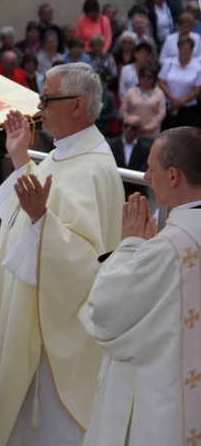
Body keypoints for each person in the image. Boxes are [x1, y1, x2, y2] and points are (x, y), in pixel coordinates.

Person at [0, 63, 124, 446]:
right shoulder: (63, 155)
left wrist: (42, 217)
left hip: (50, 332)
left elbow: (87, 263)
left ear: (77, 105)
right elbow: (23, 217)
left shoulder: (94, 167)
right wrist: (21, 159)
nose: (39, 108)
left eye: (46, 99)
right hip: (25, 309)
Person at [80, 127, 201, 445]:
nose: (147, 175)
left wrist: (130, 247)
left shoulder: (169, 249)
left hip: (162, 405)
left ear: (173, 176)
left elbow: (104, 314)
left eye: (151, 167)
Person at [158, 36, 201, 129]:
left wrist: (181, 101)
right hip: (169, 105)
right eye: (181, 48)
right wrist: (174, 99)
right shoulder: (169, 63)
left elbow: (197, 89)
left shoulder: (198, 67)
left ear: (191, 50)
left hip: (188, 108)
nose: (183, 51)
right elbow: (161, 82)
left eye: (186, 49)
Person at [108, 114, 151, 199]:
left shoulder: (146, 148)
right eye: (126, 125)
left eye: (133, 127)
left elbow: (144, 172)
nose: (129, 129)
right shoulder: (111, 144)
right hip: (113, 193)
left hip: (137, 195)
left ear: (139, 130)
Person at [121, 65, 166, 139]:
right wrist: (130, 125)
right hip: (132, 133)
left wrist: (147, 127)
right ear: (139, 77)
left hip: (151, 135)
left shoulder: (159, 93)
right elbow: (124, 110)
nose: (146, 79)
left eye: (149, 77)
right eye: (143, 76)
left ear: (154, 79)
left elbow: (161, 114)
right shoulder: (131, 92)